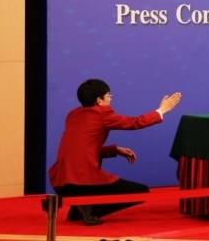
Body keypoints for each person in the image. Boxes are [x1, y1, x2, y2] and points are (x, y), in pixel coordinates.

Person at [48, 79, 182, 225]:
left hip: (61, 183)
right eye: (108, 96)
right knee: (140, 192)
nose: (110, 99)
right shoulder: (102, 113)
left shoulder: (73, 114)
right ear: (99, 100)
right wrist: (162, 110)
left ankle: (77, 208)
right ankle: (89, 208)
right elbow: (134, 122)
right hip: (82, 181)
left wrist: (115, 150)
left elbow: (79, 149)